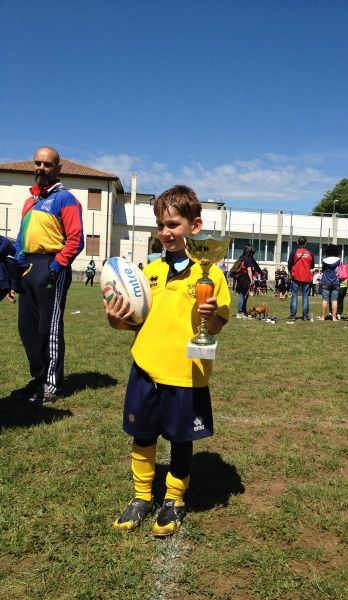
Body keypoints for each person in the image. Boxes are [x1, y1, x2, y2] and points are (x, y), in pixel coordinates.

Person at [104, 185, 230, 537]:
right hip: (145, 368)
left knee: (179, 439)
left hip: (186, 372)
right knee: (142, 435)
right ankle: (142, 497)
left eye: (173, 224)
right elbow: (132, 321)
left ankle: (174, 499)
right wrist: (115, 316)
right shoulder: (149, 272)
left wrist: (210, 314)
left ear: (195, 225)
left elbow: (217, 325)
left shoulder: (211, 271)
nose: (165, 232)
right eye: (160, 225)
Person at [10, 146, 84, 403]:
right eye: (38, 163)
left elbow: (75, 240)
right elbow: (21, 239)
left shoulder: (66, 199)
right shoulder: (30, 201)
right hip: (27, 267)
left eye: (47, 164)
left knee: (49, 328)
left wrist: (56, 267)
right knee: (27, 328)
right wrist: (15, 271)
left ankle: (51, 384)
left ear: (58, 169)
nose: (41, 168)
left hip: (51, 266)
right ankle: (37, 378)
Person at [287, 237, 315, 320]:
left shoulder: (294, 252)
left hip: (295, 276)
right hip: (306, 277)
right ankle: (305, 316)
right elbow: (312, 266)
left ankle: (293, 315)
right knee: (305, 296)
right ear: (305, 243)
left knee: (294, 295)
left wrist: (291, 272)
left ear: (297, 243)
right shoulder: (310, 253)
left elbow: (289, 264)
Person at [236, 245, 261, 318]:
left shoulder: (243, 258)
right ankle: (239, 312)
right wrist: (251, 280)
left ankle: (243, 312)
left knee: (245, 295)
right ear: (251, 252)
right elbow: (249, 269)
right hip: (245, 279)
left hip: (242, 279)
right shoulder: (248, 259)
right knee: (242, 295)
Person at [319, 244, 340, 321]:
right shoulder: (339, 260)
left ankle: (323, 317)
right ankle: (334, 317)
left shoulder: (324, 260)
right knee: (334, 300)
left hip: (325, 282)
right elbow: (340, 270)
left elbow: (323, 270)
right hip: (335, 282)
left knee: (325, 299)